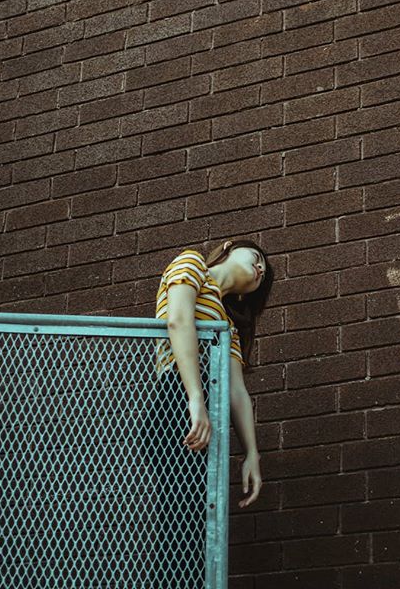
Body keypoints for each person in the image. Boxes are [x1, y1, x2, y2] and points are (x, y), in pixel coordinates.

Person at [145, 238, 274, 588]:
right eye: (257, 257)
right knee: (180, 521)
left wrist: (252, 454)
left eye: (264, 274)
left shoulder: (226, 324)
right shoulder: (192, 263)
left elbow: (237, 391)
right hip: (179, 396)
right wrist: (195, 399)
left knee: (191, 525)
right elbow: (179, 321)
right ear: (229, 247)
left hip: (206, 409)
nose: (260, 268)